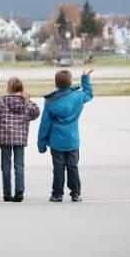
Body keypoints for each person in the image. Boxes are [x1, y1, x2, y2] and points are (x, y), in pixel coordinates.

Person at [38, 69, 94, 202]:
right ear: (70, 82)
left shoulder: (51, 102)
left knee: (58, 169)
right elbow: (88, 94)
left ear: (56, 84)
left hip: (56, 142)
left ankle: (57, 194)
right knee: (73, 167)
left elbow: (44, 124)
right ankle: (75, 193)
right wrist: (85, 78)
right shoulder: (77, 97)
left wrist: (41, 143)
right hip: (72, 141)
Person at [0, 77, 40, 202]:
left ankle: (7, 193)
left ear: (9, 88)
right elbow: (35, 113)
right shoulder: (25, 102)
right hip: (20, 138)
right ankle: (19, 191)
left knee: (6, 166)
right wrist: (28, 101)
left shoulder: (3, 101)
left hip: (5, 137)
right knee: (19, 166)